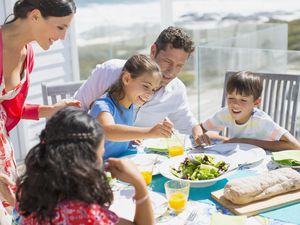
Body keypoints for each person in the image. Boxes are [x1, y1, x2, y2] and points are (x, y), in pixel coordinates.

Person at [0, 0, 80, 214]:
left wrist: (51, 109)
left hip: (3, 152)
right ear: (35, 16)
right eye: (60, 27)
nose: (63, 37)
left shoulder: (28, 55)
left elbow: (10, 109)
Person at [16, 106, 154, 225]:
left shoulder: (28, 193)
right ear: (84, 162)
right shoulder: (85, 214)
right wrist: (139, 184)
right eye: (100, 155)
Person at [74, 26, 205, 144]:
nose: (171, 71)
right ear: (153, 51)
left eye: (179, 66)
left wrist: (200, 132)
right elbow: (75, 112)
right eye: (167, 61)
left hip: (137, 155)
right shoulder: (109, 73)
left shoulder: (176, 90)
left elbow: (187, 122)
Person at [89, 54, 173, 159]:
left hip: (118, 163)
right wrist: (149, 132)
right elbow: (109, 131)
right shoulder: (103, 105)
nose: (149, 94)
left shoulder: (130, 105)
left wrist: (128, 140)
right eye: (146, 86)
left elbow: (115, 137)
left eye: (153, 90)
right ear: (127, 79)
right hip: (97, 170)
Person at [198, 71, 300, 151]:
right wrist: (200, 137)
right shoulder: (225, 114)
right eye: (231, 98)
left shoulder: (261, 121)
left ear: (256, 102)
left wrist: (242, 141)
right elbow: (199, 127)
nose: (235, 104)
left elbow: (295, 145)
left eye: (243, 100)